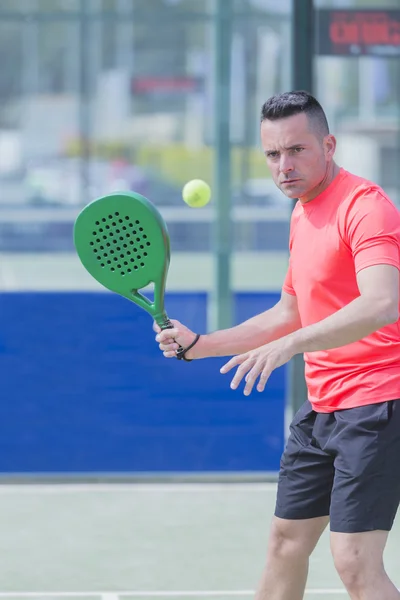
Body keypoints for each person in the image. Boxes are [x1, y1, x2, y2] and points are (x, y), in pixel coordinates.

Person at [154, 90, 400, 600]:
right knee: (285, 543)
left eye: (297, 150)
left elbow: (381, 303)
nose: (283, 166)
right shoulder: (302, 211)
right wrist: (200, 345)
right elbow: (288, 312)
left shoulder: (366, 207)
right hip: (323, 407)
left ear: (328, 145)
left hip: (377, 403)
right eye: (273, 154)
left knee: (354, 560)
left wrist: (291, 346)